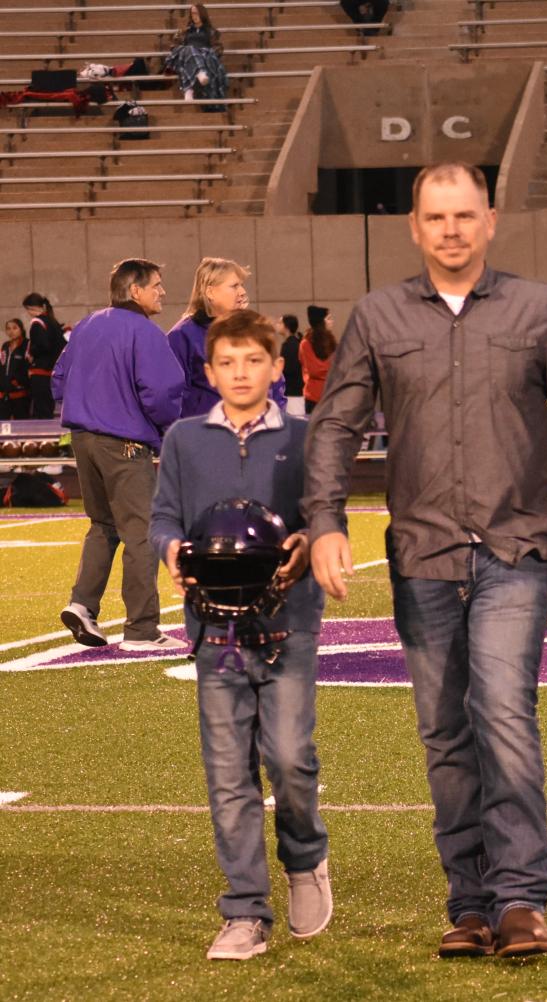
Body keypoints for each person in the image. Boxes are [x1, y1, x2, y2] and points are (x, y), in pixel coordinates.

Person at [302, 162, 547, 960]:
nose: (450, 230)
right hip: (421, 552)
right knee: (444, 733)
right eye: (435, 217)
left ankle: (520, 898)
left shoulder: (539, 307)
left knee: (504, 715)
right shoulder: (376, 315)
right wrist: (324, 519)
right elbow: (336, 425)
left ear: (490, 221)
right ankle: (469, 902)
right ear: (414, 227)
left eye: (464, 215)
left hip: (516, 546)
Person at [150, 309, 330, 961]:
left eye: (253, 360)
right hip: (213, 629)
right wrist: (170, 551)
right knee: (228, 775)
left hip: (287, 625)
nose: (240, 372)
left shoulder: (308, 438)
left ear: (277, 368)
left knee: (287, 758)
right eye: (226, 362)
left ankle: (305, 858)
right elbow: (164, 516)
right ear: (209, 371)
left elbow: (322, 515)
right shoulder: (183, 440)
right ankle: (245, 910)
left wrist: (307, 544)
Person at [52, 259, 187, 652]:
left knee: (102, 525)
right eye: (156, 285)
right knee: (142, 533)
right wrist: (165, 430)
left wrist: (89, 403)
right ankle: (142, 629)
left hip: (83, 438)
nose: (162, 291)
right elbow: (161, 394)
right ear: (135, 291)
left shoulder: (88, 325)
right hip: (125, 442)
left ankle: (82, 604)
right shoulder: (145, 332)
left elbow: (58, 380)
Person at [168, 258, 287, 419]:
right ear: (210, 292)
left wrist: (276, 420)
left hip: (259, 431)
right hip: (209, 436)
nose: (242, 292)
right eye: (234, 286)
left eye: (241, 285)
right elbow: (174, 395)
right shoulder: (182, 335)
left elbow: (276, 382)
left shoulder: (254, 328)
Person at [166, 4, 227, 103]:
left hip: (203, 56)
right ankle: (200, 72)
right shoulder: (185, 31)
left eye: (197, 13)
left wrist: (207, 52)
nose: (194, 16)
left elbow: (218, 48)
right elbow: (174, 45)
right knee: (190, 49)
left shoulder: (211, 31)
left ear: (202, 14)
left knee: (195, 54)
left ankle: (188, 90)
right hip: (186, 55)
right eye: (192, 13)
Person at [21, 293, 65, 419]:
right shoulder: (52, 322)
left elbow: (42, 346)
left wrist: (31, 353)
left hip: (40, 372)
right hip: (51, 371)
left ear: (30, 308)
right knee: (47, 409)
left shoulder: (37, 323)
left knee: (40, 410)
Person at [298, 306, 335, 413]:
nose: (332, 321)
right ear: (321, 322)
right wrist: (335, 368)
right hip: (314, 397)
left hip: (331, 395)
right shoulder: (306, 343)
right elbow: (315, 370)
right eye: (329, 319)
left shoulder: (330, 340)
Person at [1, 319, 30, 420]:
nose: (11, 331)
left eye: (14, 328)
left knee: (22, 426)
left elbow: (29, 367)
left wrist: (19, 381)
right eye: (8, 329)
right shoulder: (5, 346)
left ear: (21, 329)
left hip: (21, 395)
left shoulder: (27, 345)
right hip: (4, 395)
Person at [277, 314, 305, 413]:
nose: (277, 325)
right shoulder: (294, 343)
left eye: (280, 323)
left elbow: (289, 369)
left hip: (293, 392)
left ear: (286, 326)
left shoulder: (291, 345)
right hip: (294, 391)